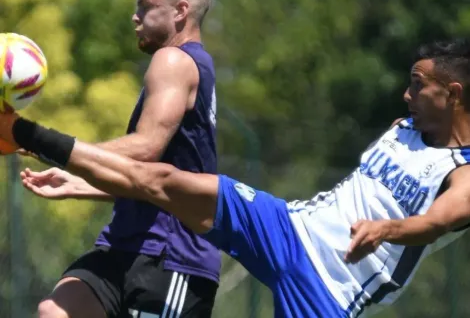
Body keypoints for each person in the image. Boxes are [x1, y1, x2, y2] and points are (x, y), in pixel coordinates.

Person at [5, 38, 470, 317]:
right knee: (166, 178)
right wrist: (88, 184)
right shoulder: (404, 128)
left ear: (452, 93)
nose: (405, 92)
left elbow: (435, 223)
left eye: (417, 84)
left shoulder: (464, 172)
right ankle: (19, 131)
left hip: (330, 290)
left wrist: (388, 229)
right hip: (288, 227)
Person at [13, 0, 221, 317]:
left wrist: (45, 146)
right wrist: (80, 182)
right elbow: (154, 172)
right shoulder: (187, 65)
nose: (134, 16)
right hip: (125, 242)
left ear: (180, 11)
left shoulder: (174, 59)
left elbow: (145, 148)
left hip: (171, 256)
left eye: (145, 7)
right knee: (54, 311)